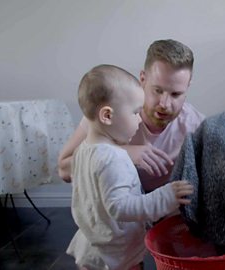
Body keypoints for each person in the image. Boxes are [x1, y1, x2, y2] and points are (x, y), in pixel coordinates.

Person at [66, 64, 194, 270]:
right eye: (135, 112)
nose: (138, 119)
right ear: (107, 116)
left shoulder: (83, 150)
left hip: (93, 240)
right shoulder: (112, 158)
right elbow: (120, 207)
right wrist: (165, 197)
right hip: (118, 252)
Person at [58, 39, 205, 192]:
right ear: (143, 78)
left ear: (187, 87)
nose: (164, 104)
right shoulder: (110, 113)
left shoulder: (197, 126)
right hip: (115, 210)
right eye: (158, 90)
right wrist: (123, 154)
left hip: (168, 209)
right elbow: (64, 169)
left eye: (175, 94)